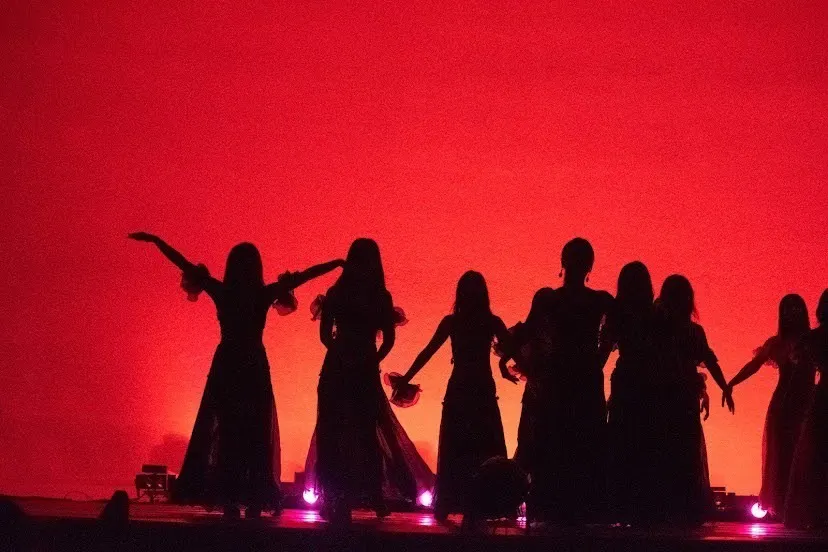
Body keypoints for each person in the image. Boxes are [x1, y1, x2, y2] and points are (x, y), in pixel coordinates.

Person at [128, 232, 342, 519]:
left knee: (229, 431)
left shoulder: (223, 292)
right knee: (255, 431)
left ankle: (230, 498)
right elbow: (305, 276)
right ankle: (253, 499)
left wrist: (157, 242)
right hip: (252, 365)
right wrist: (335, 263)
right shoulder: (262, 294)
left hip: (228, 363)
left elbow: (183, 263)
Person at [303, 238, 434, 524]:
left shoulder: (338, 293)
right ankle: (370, 495)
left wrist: (341, 352)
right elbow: (388, 340)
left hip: (339, 367)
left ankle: (339, 495)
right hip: (361, 367)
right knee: (366, 431)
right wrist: (370, 358)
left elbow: (325, 336)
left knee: (337, 430)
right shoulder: (379, 296)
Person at [395, 271, 517, 521]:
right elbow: (513, 349)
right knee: (484, 444)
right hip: (481, 387)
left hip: (461, 387)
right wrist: (508, 365)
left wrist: (407, 377)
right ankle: (487, 502)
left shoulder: (453, 322)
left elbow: (428, 351)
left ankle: (451, 501)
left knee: (457, 445)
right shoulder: (491, 322)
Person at [523, 238, 615, 523]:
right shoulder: (600, 300)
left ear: (563, 262)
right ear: (591, 266)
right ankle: (584, 508)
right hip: (584, 380)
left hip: (559, 380)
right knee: (583, 444)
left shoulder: (549, 299)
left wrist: (523, 364)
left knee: (556, 443)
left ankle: (553, 507)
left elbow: (528, 332)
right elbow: (620, 330)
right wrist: (597, 360)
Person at [650, 274, 734, 524]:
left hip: (673, 395)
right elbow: (709, 360)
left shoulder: (671, 329)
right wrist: (724, 387)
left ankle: (670, 506)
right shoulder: (681, 330)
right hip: (674, 395)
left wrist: (724, 387)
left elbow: (709, 360)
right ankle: (680, 506)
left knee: (674, 450)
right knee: (681, 451)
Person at [727, 295, 813, 515]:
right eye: (787, 309)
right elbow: (754, 365)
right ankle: (785, 507)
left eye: (796, 308)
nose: (792, 313)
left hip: (806, 404)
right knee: (782, 454)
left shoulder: (813, 341)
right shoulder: (776, 343)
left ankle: (804, 506)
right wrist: (732, 383)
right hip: (783, 407)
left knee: (806, 453)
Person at [601, 261, 659, 524]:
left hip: (626, 378)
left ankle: (620, 505)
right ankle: (646, 506)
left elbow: (603, 351)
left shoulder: (617, 313)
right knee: (646, 442)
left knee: (622, 440)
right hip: (649, 380)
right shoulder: (655, 314)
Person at [784, 290, 828, 529]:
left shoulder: (813, 339)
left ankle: (816, 513)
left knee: (816, 454)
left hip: (823, 396)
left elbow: (798, 369)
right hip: (821, 396)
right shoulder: (812, 339)